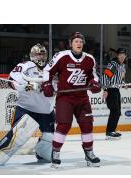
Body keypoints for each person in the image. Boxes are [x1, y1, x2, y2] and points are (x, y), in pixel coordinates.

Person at [41, 32, 101, 168]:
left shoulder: (89, 59)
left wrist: (94, 83)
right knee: (64, 125)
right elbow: (47, 70)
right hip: (65, 98)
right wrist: (46, 84)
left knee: (87, 125)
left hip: (82, 98)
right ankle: (55, 153)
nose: (79, 43)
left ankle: (89, 153)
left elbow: (93, 76)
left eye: (81, 41)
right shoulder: (61, 56)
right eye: (76, 41)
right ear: (71, 44)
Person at [0, 44, 55, 164]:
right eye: (38, 54)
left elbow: (57, 86)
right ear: (32, 55)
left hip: (46, 110)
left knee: (50, 136)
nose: (40, 56)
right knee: (19, 134)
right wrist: (24, 86)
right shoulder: (24, 66)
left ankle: (42, 154)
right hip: (26, 108)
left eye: (43, 54)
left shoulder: (52, 69)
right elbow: (11, 80)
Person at [101, 48, 127, 140]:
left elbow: (121, 78)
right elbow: (105, 76)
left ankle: (112, 130)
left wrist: (124, 84)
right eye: (120, 55)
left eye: (123, 55)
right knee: (114, 111)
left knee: (118, 112)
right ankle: (109, 132)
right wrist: (105, 89)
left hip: (116, 90)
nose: (122, 56)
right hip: (111, 90)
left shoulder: (122, 66)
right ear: (117, 55)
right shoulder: (113, 64)